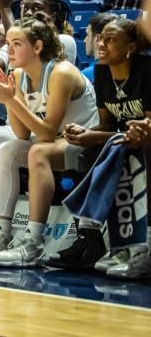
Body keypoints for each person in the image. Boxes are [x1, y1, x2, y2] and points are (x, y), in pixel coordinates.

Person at [0, 12, 98, 266]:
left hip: (86, 143)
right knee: (8, 148)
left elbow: (48, 133)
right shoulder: (17, 76)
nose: (9, 50)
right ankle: (1, 235)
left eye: (17, 44)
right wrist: (10, 99)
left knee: (38, 152)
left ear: (38, 46)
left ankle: (33, 243)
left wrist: (10, 100)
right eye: (8, 43)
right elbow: (22, 133)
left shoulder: (61, 72)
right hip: (57, 142)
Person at [47, 18, 151, 272]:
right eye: (101, 38)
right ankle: (91, 239)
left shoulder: (147, 71)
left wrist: (98, 137)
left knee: (135, 152)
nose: (101, 44)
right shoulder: (103, 71)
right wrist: (85, 133)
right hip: (126, 140)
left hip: (145, 142)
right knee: (76, 150)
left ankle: (141, 249)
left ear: (130, 47)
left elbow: (147, 129)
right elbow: (107, 125)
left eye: (110, 39)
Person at [80, 12, 119, 82]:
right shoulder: (126, 72)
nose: (85, 40)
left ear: (98, 39)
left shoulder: (83, 77)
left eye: (87, 35)